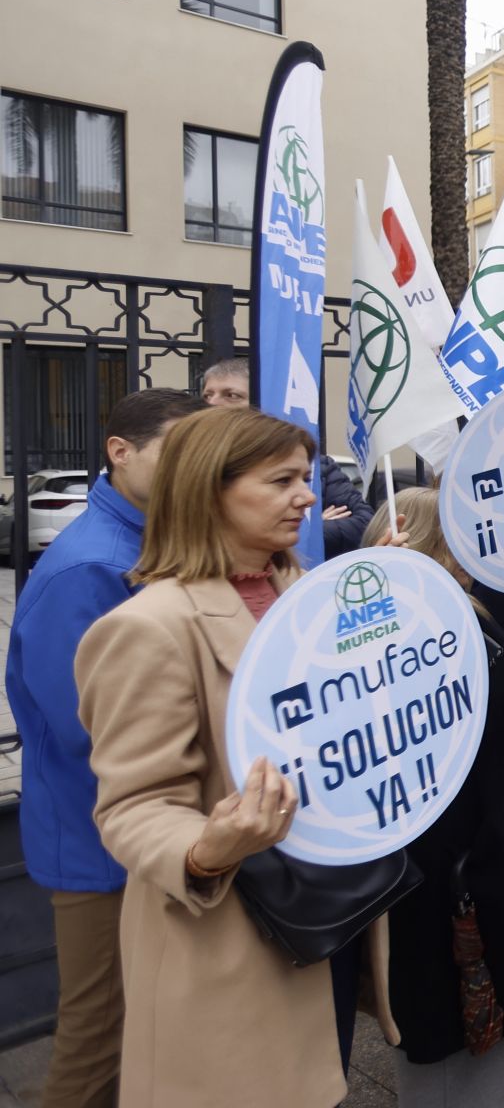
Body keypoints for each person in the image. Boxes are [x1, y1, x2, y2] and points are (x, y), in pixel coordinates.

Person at [72, 405, 340, 1106]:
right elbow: (133, 807)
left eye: (305, 478)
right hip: (219, 939)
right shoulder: (148, 627)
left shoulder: (300, 595)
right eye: (281, 480)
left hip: (309, 917)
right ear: (208, 490)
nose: (307, 497)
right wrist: (205, 849)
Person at [5, 388, 203, 1108]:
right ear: (119, 451)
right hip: (99, 848)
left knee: (135, 1032)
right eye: (176, 450)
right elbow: (89, 729)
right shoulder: (91, 565)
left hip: (131, 836)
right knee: (97, 1039)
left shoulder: (142, 539)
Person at [363, 493, 504, 1103]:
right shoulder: (409, 621)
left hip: (487, 841)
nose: (474, 546)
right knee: (459, 1015)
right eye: (459, 535)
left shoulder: (457, 603)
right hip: (461, 858)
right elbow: (465, 730)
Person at [200, 357, 372, 557]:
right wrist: (310, 526)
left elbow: (364, 523)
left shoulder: (318, 466)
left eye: (231, 395)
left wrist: (306, 529)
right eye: (207, 396)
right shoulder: (193, 465)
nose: (213, 404)